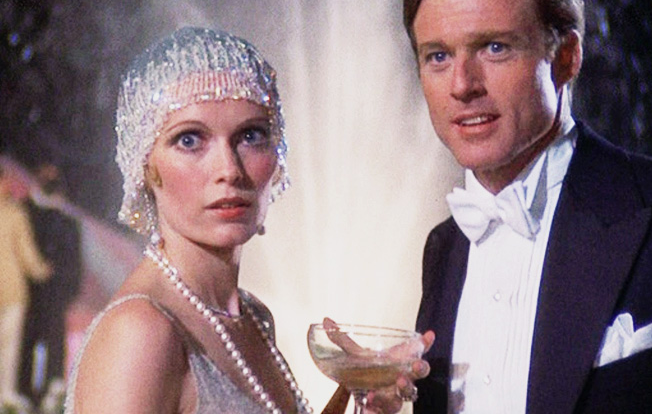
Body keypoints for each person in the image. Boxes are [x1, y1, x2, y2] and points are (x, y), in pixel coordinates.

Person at [403, 0, 652, 414]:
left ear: (567, 58)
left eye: (494, 48)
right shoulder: (444, 249)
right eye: (438, 56)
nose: (462, 85)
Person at [64, 27, 431, 413]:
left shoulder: (252, 318)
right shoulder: (141, 332)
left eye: (250, 136)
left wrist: (360, 398)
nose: (229, 169)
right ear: (145, 166)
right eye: (189, 140)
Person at [19, 163, 82, 404]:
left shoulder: (68, 220)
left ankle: (52, 393)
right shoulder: (25, 212)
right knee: (26, 343)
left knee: (55, 343)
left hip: (56, 294)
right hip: (30, 293)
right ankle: (23, 394)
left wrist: (70, 291)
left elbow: (74, 260)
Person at [0, 166, 53, 404]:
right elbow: (26, 253)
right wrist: (42, 270)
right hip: (12, 289)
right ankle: (5, 395)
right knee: (9, 345)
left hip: (11, 290)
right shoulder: (14, 213)